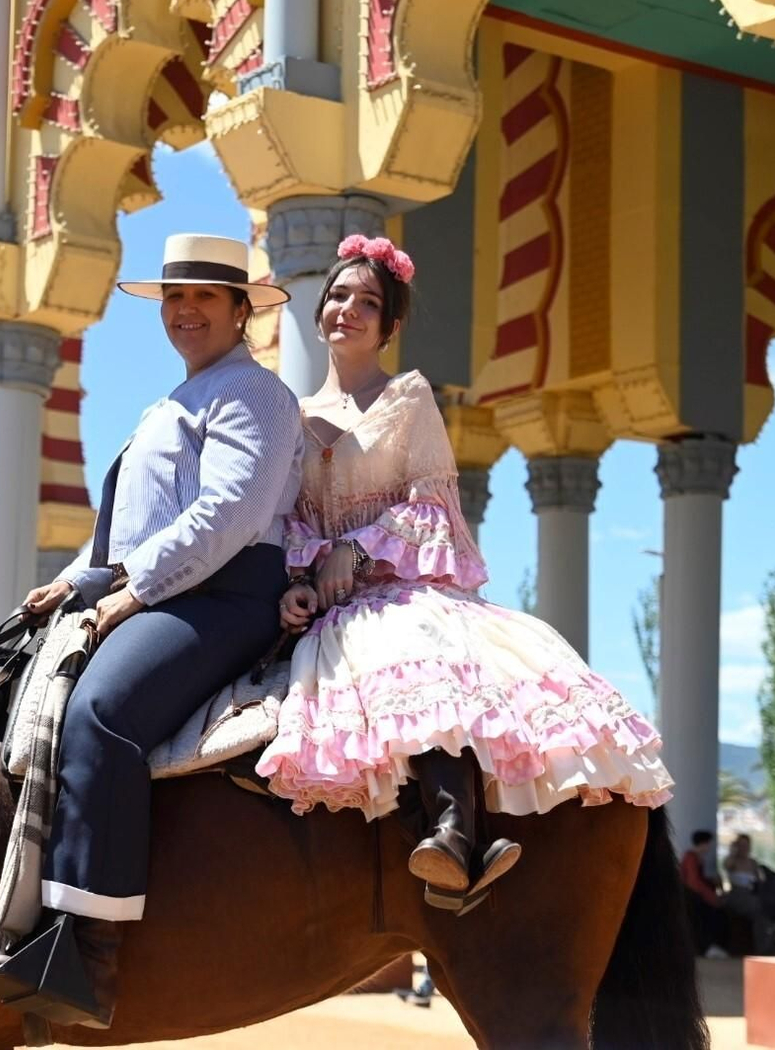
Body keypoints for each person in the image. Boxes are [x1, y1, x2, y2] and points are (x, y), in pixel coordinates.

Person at [255, 234, 673, 912]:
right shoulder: (292, 416)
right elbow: (287, 517)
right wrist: (303, 573)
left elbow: (431, 506)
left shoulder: (409, 398)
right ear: (318, 310)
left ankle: (457, 832)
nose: (347, 310)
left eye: (368, 302)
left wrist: (354, 552)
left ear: (390, 326)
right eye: (337, 295)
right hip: (319, 601)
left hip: (393, 591)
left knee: (410, 658)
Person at [0, 233, 302, 1027]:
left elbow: (227, 514)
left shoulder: (255, 394)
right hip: (164, 588)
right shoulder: (167, 405)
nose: (185, 310)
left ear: (242, 311)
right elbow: (129, 529)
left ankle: (87, 958)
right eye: (174, 297)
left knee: (101, 710)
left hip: (225, 596)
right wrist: (73, 579)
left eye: (205, 296)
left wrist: (130, 594)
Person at [681, 830, 728, 957]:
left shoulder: (696, 858)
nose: (709, 847)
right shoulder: (691, 857)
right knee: (710, 916)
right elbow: (693, 882)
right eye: (708, 844)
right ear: (703, 843)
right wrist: (712, 898)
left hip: (694, 897)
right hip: (691, 898)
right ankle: (708, 946)